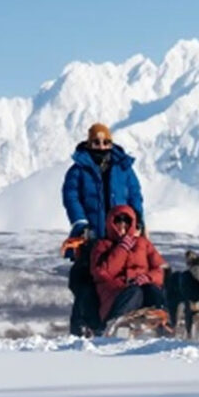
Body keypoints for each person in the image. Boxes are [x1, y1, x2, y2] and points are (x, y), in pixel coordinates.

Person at [62, 123, 145, 336]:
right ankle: (82, 326)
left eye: (106, 141)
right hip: (91, 234)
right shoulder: (78, 170)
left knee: (121, 280)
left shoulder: (123, 168)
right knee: (84, 281)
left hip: (120, 234)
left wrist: (137, 219)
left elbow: (135, 194)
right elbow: (71, 196)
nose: (101, 146)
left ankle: (116, 322)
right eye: (96, 142)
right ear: (89, 143)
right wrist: (80, 222)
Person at [90, 205, 166, 326]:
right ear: (111, 223)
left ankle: (161, 323)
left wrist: (149, 277)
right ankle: (116, 323)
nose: (122, 224)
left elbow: (161, 269)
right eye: (118, 220)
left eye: (126, 220)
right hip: (117, 294)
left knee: (151, 290)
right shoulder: (102, 246)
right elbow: (102, 273)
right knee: (135, 292)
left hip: (143, 289)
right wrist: (121, 249)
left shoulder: (143, 243)